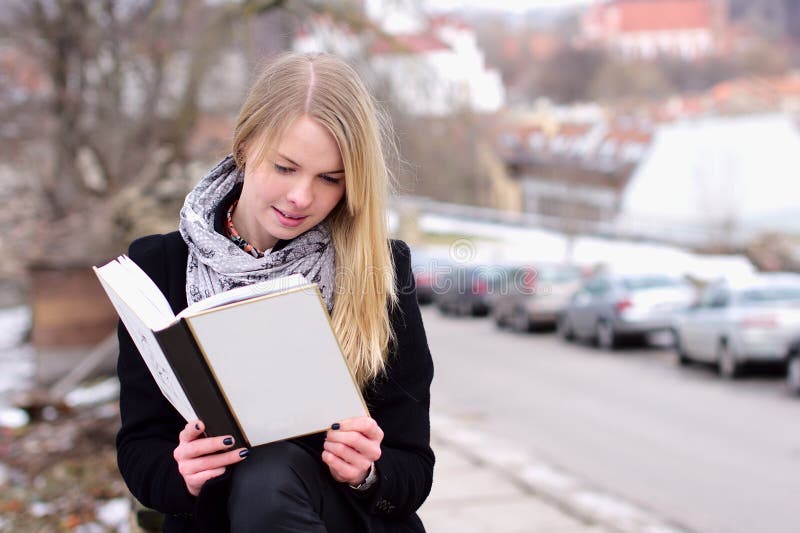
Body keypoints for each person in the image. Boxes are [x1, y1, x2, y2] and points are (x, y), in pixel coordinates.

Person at [115, 52, 435, 533]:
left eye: (330, 179)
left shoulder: (380, 270)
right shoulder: (157, 268)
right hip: (215, 521)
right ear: (245, 146)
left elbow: (414, 466)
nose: (301, 198)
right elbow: (140, 448)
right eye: (285, 168)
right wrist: (181, 471)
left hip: (341, 520)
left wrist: (371, 472)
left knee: (270, 478)